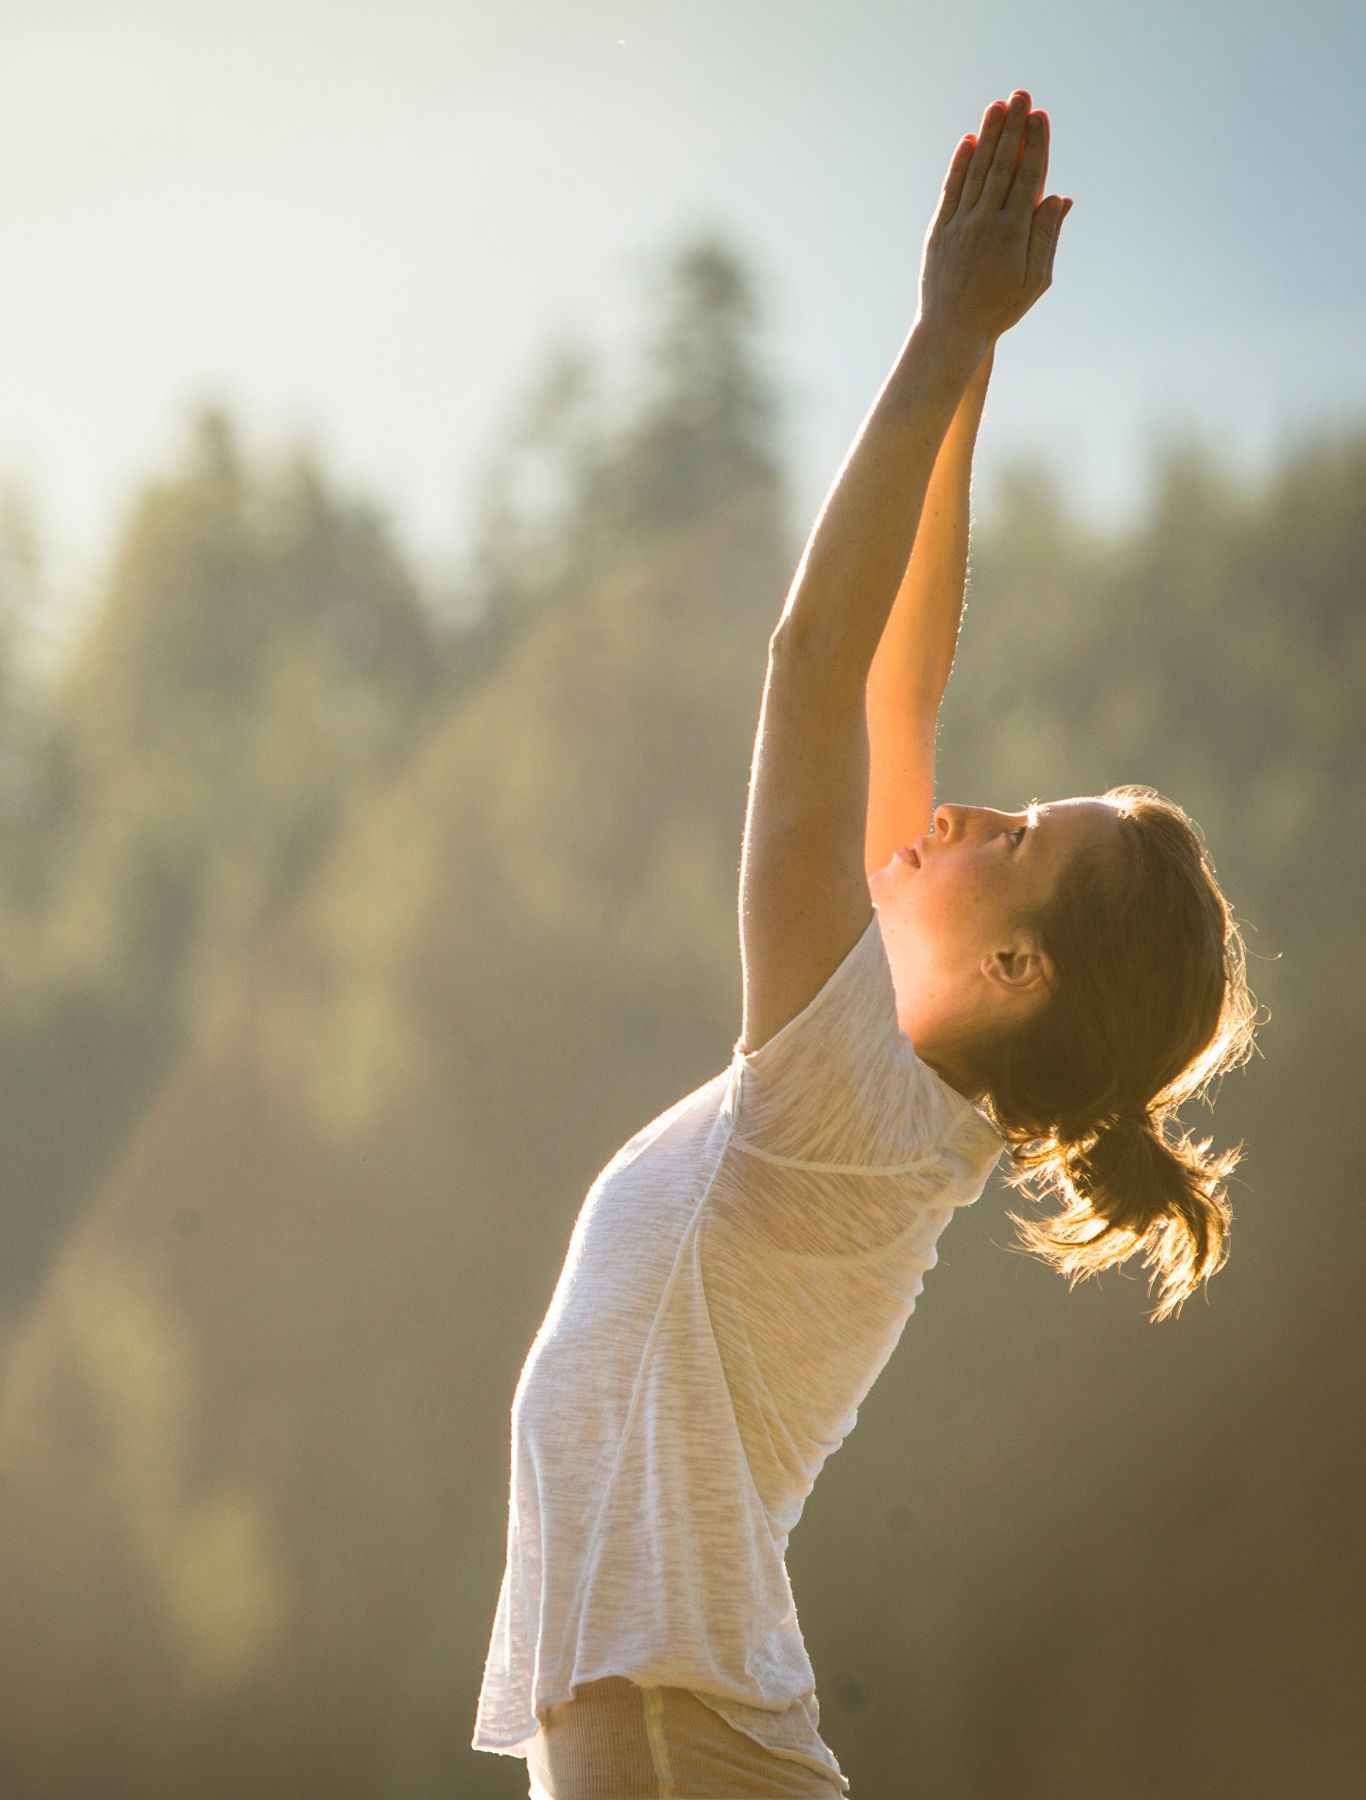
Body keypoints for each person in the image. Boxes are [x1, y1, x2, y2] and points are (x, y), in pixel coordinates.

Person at [472, 89, 1258, 1799]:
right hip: (667, 1719)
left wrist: (931, 339)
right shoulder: (890, 1086)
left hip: (671, 1732)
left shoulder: (846, 1093)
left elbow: (816, 658)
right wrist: (970, 369)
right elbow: (899, 680)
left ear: (1014, 972)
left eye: (1020, 842)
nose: (974, 810)